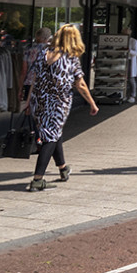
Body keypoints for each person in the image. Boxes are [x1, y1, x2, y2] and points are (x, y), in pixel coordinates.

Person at [23, 24, 98, 192]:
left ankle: (63, 168)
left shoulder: (44, 53)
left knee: (53, 133)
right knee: (51, 137)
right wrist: (92, 103)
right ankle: (37, 179)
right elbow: (81, 84)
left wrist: (28, 102)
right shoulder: (70, 57)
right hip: (57, 103)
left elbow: (34, 80)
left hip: (39, 101)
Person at [125, 28, 137, 104]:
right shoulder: (122, 40)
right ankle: (123, 94)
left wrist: (129, 50)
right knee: (123, 79)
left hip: (130, 60)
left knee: (131, 79)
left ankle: (132, 95)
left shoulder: (133, 41)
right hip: (123, 60)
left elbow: (136, 52)